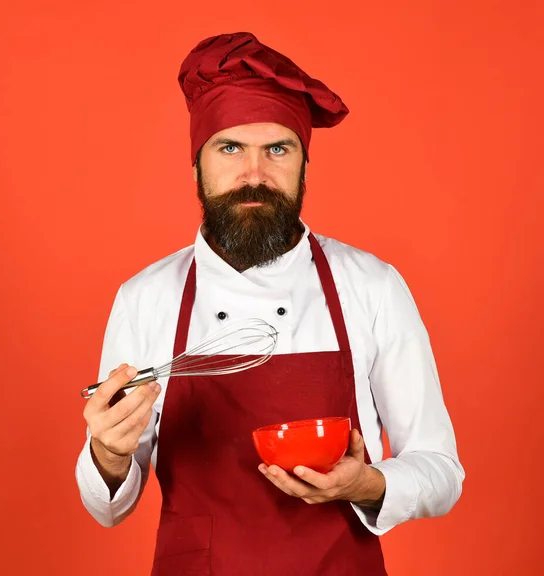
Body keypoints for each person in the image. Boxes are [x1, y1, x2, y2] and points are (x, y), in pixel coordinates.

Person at [75, 32, 464, 575]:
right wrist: (109, 454)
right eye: (229, 147)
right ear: (196, 166)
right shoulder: (146, 297)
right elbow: (106, 508)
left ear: (305, 165)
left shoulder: (371, 286)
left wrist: (370, 482)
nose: (253, 174)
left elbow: (443, 472)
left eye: (277, 149)